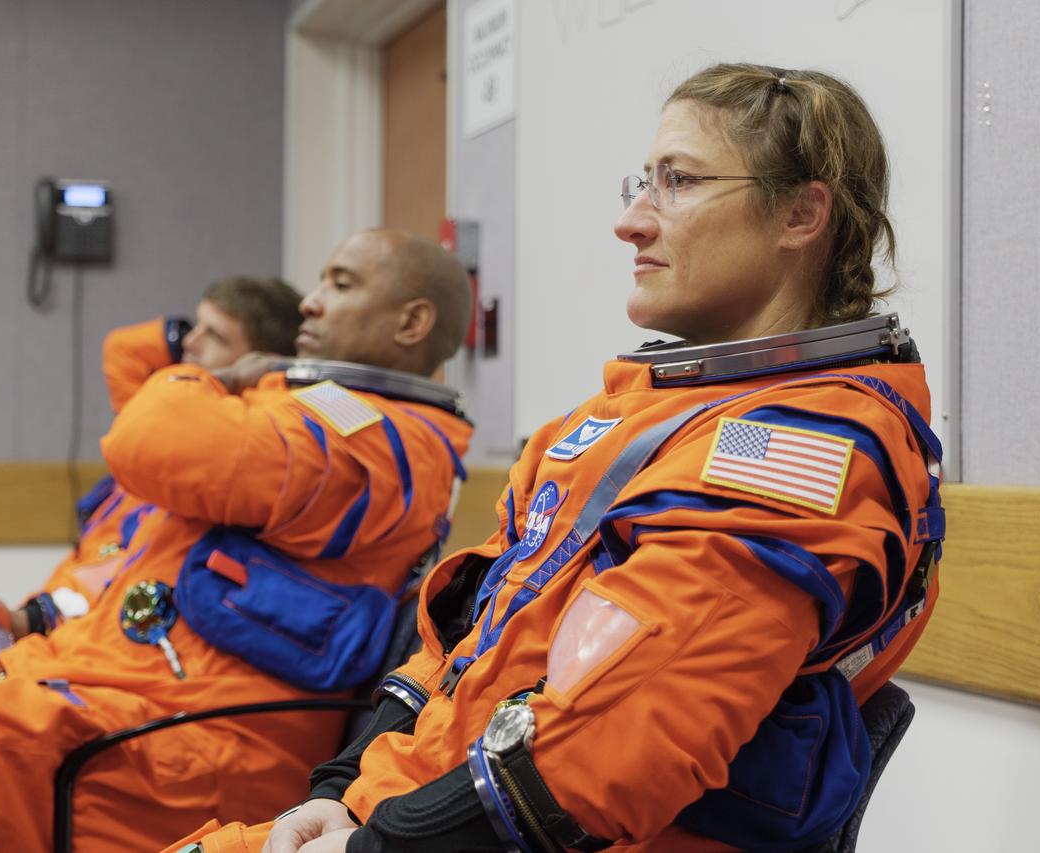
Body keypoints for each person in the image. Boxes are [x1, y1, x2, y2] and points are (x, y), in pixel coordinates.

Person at [166, 63, 945, 853]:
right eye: (641, 183)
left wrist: (380, 841)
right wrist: (345, 789)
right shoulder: (625, 418)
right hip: (410, 804)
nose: (633, 221)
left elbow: (612, 752)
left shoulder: (796, 445)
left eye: (677, 181)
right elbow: (465, 635)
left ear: (801, 213)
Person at [0, 230, 473, 853]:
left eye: (340, 284)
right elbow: (139, 394)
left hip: (188, 742)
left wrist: (220, 378)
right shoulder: (313, 408)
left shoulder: (372, 433)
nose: (310, 303)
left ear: (412, 322)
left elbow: (147, 439)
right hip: (119, 695)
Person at [0, 275, 306, 660]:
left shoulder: (219, 468)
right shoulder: (165, 433)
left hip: (87, 648)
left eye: (216, 336)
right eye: (195, 327)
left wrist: (220, 379)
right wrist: (24, 622)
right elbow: (123, 351)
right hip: (61, 620)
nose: (190, 343)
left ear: (255, 365)